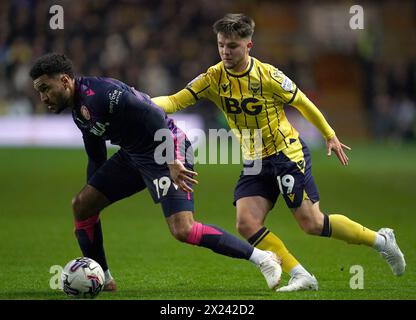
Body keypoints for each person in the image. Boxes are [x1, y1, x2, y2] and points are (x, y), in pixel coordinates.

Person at [151, 13, 406, 292]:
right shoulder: (213, 78)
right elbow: (175, 101)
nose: (225, 51)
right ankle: (300, 274)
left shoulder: (268, 76)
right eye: (221, 45)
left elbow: (303, 102)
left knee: (312, 223)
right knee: (246, 222)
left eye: (232, 46)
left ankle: (381, 241)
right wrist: (140, 102)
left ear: (248, 46)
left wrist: (329, 134)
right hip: (255, 159)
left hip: (286, 153)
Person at [29, 53, 283, 292]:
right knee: (82, 205)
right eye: (39, 91)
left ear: (64, 80)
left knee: (183, 229)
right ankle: (103, 278)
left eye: (45, 89)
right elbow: (96, 156)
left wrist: (172, 160)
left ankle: (263, 258)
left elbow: (153, 113)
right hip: (133, 154)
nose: (43, 98)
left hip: (166, 147)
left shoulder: (102, 94)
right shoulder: (79, 111)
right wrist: (93, 192)